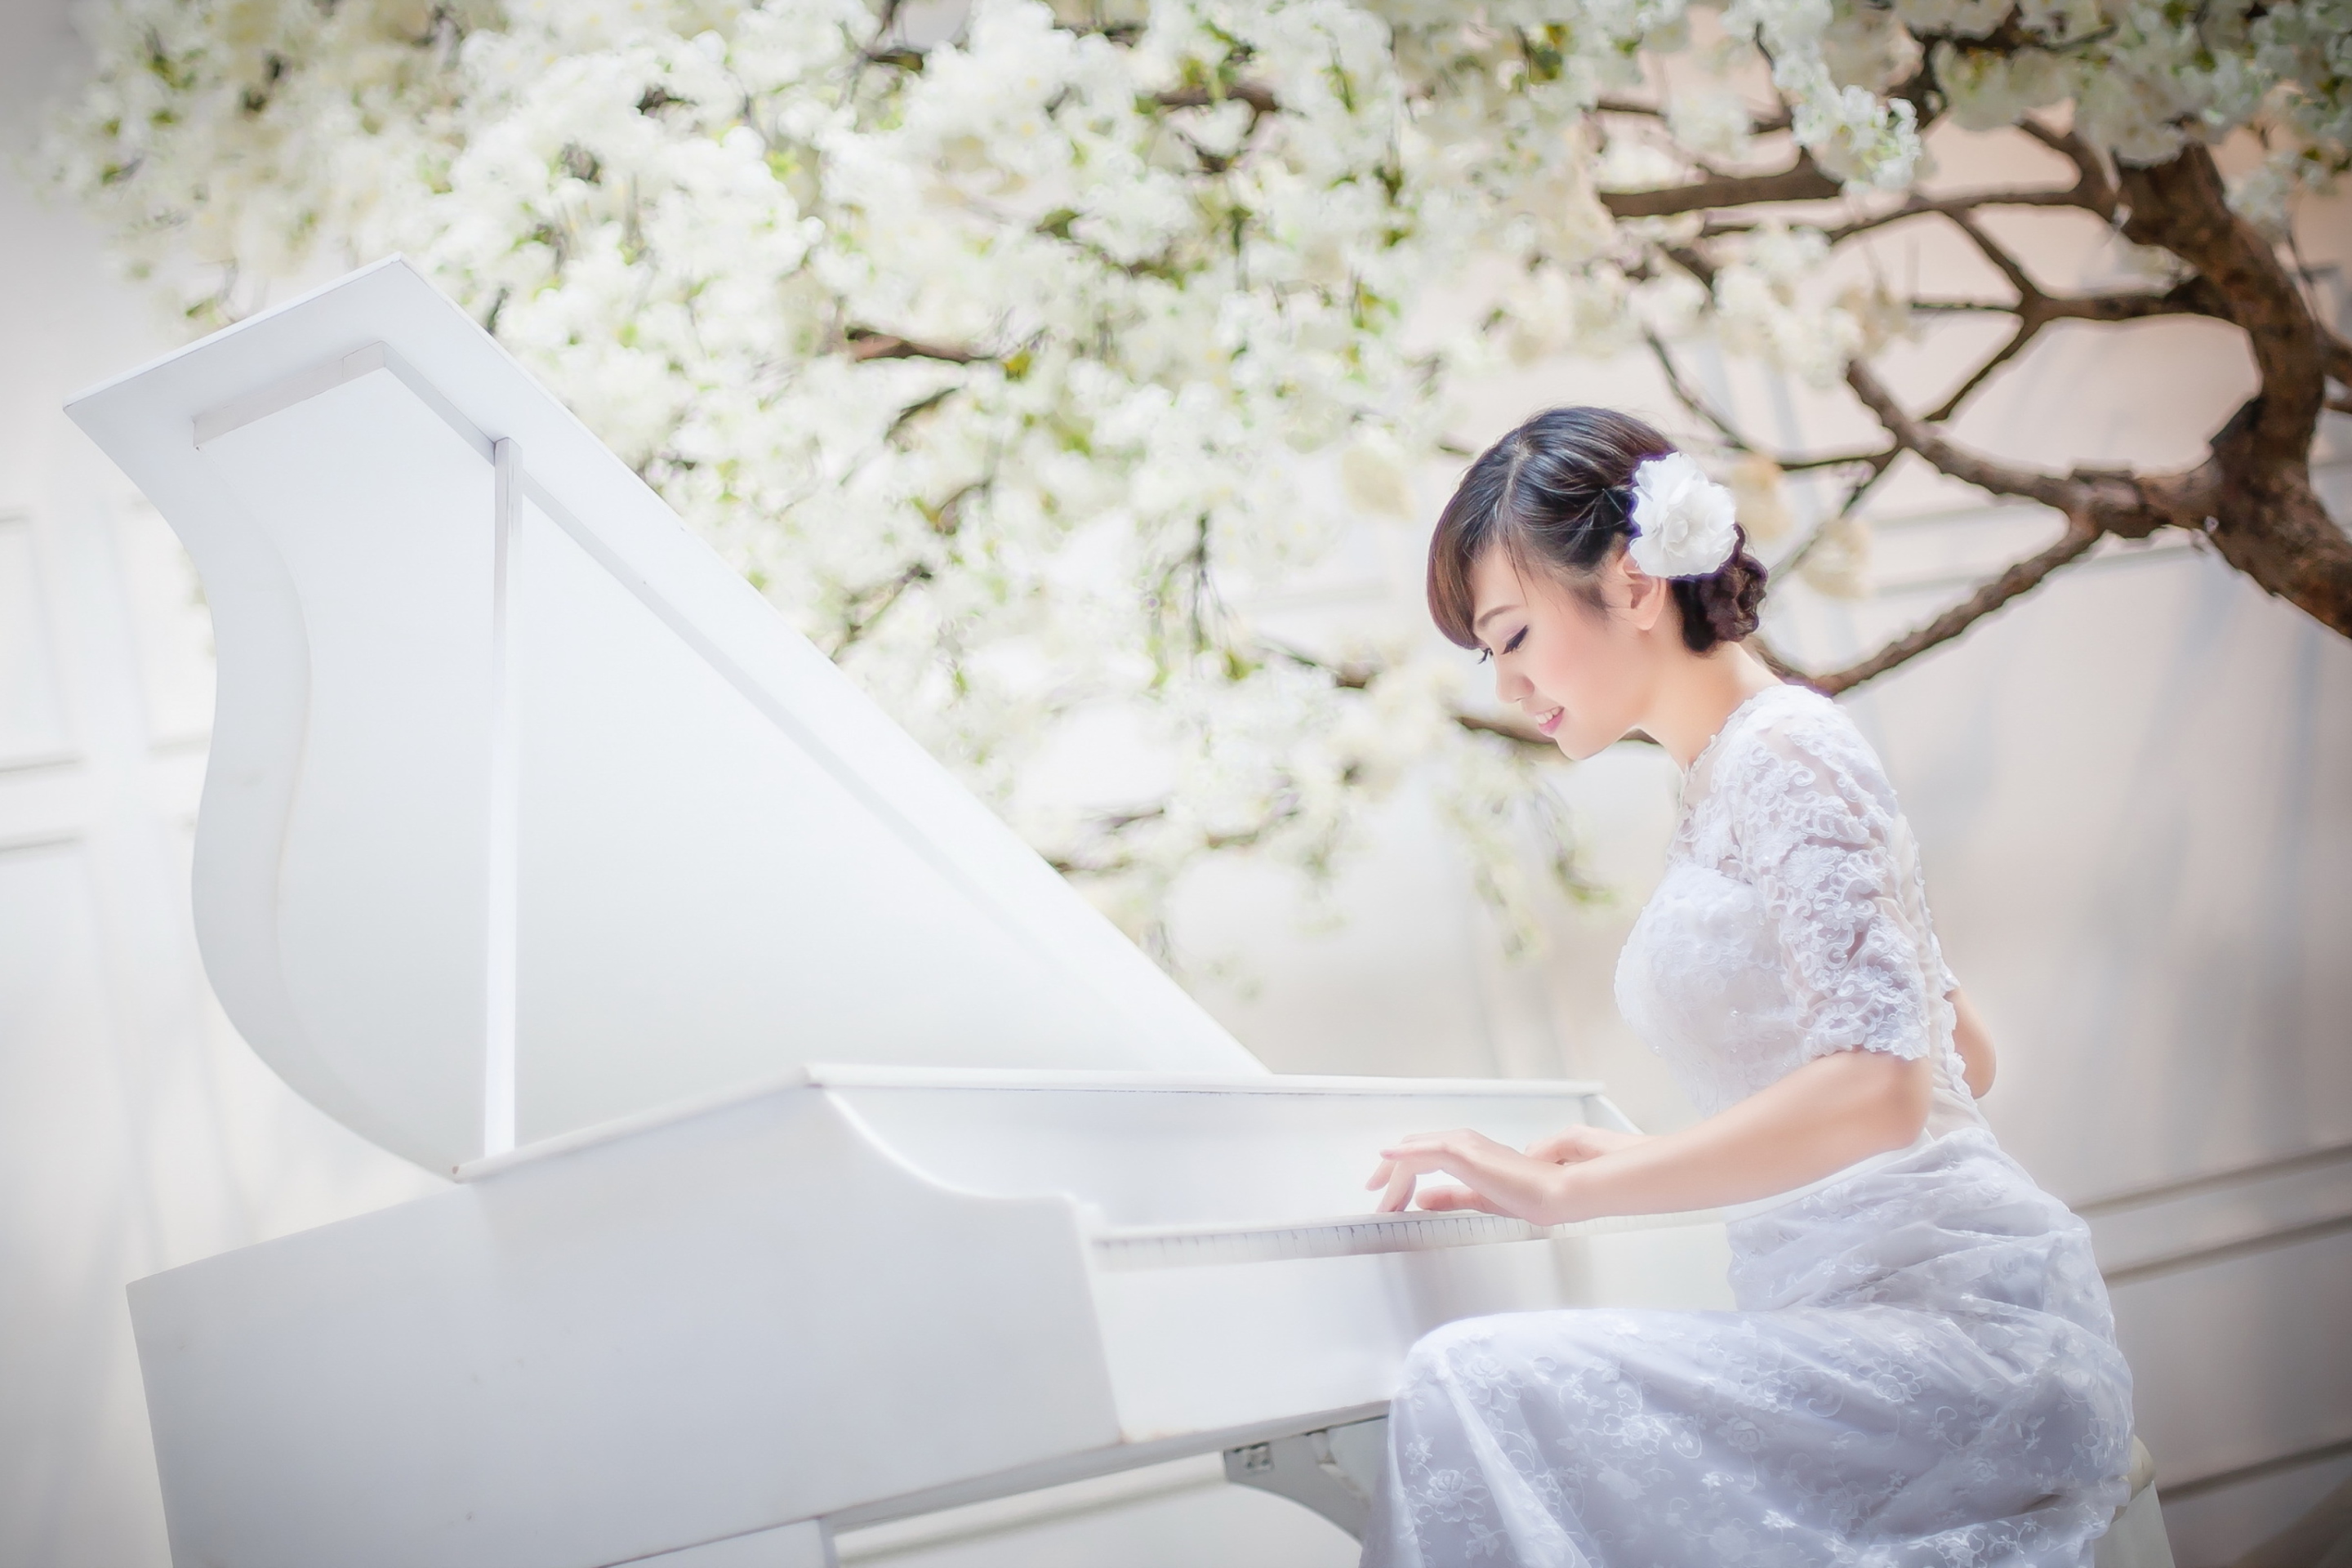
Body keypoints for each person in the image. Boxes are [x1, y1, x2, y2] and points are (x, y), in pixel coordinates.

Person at [1358, 407, 2136, 1566]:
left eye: (1513, 634)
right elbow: (1958, 1054)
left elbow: (1886, 1089)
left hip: (1955, 1343)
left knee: (1470, 1376)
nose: (1510, 685)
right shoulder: (1734, 773)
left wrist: (1573, 1196)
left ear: (1630, 585)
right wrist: (1611, 1157)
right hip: (1855, 1322)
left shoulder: (1785, 752)